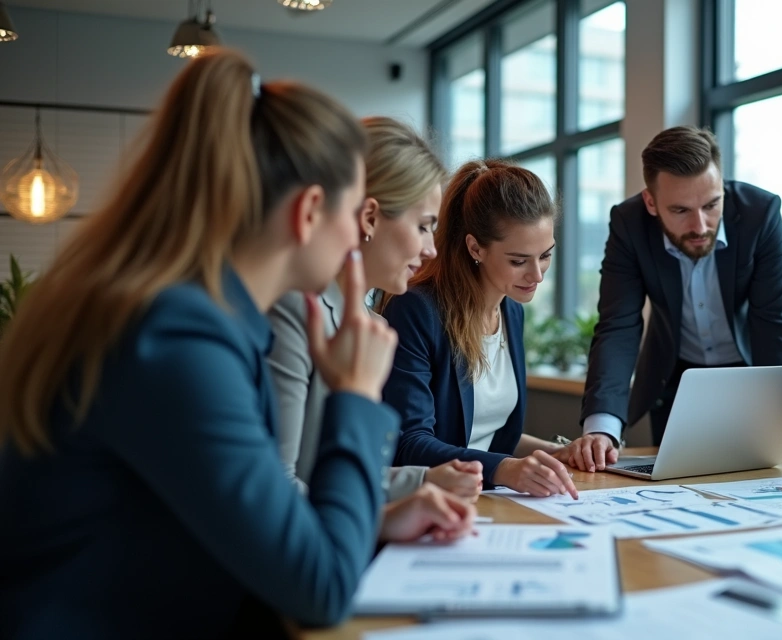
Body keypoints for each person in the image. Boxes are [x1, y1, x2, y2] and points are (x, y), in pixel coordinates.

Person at [0, 50, 474, 639]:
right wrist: (357, 395)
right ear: (307, 214)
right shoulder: (177, 338)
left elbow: (272, 517)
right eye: (355, 211)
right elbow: (318, 589)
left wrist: (374, 520)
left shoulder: (196, 316)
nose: (360, 230)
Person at [561, 126, 782, 472]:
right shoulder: (629, 224)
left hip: (764, 375)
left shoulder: (762, 213)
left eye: (712, 205)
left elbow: (772, 323)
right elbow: (618, 326)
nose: (700, 225)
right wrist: (601, 430)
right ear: (651, 202)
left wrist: (778, 423)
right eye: (681, 210)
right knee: (676, 493)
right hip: (680, 381)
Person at [268, 117, 482, 501]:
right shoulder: (294, 311)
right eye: (422, 226)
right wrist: (387, 518)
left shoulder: (374, 324)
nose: (431, 249)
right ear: (369, 218)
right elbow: (277, 487)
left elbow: (346, 472)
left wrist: (424, 481)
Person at [383, 159, 579, 498]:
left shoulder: (511, 310)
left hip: (485, 499)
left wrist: (557, 453)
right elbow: (409, 444)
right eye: (519, 261)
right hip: (430, 502)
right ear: (475, 248)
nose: (537, 275)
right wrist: (504, 469)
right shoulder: (417, 310)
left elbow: (492, 433)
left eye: (545, 255)